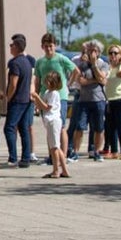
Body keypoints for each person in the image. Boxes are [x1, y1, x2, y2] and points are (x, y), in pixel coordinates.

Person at [32, 33, 78, 161]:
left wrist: (69, 84)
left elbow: (76, 71)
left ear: (55, 46)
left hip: (60, 96)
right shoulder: (40, 62)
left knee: (60, 126)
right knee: (49, 127)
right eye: (46, 46)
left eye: (51, 46)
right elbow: (37, 80)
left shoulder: (61, 59)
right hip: (44, 96)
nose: (48, 49)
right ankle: (52, 156)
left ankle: (63, 155)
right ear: (42, 47)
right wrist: (36, 98)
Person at [70, 40, 108, 161]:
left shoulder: (103, 64)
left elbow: (103, 79)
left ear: (99, 52)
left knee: (99, 128)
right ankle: (75, 152)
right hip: (84, 100)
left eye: (94, 51)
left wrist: (94, 65)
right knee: (80, 127)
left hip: (99, 100)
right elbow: (81, 81)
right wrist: (96, 80)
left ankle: (96, 152)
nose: (91, 53)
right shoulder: (83, 65)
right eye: (90, 50)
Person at [31, 71, 70, 179]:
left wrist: (37, 97)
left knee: (54, 148)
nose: (46, 83)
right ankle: (64, 170)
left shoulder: (54, 93)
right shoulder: (47, 92)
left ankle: (56, 170)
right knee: (55, 146)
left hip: (54, 121)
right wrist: (36, 100)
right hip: (49, 121)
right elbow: (41, 106)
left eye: (49, 81)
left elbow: (47, 107)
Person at [4, 33, 36, 167]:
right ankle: (25, 158)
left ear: (16, 47)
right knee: (24, 129)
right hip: (26, 100)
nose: (10, 47)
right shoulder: (27, 62)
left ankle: (13, 158)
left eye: (11, 45)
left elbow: (13, 83)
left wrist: (8, 97)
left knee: (9, 128)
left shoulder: (15, 63)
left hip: (17, 100)